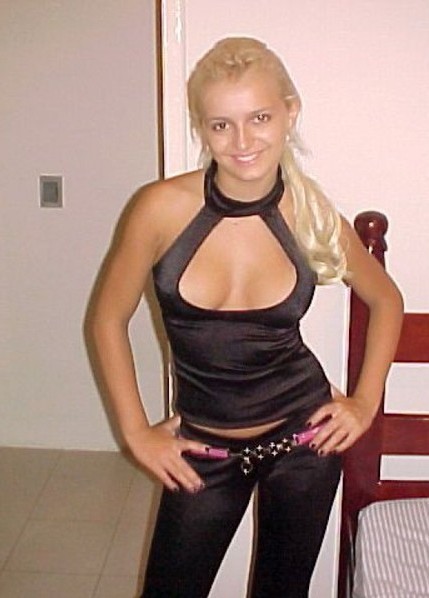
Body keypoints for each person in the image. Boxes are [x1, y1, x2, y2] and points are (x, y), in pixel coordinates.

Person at [90, 37, 403, 598]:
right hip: (203, 452)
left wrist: (364, 402)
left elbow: (386, 300)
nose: (242, 142)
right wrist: (135, 432)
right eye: (221, 125)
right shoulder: (159, 209)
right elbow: (106, 320)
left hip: (306, 444)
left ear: (289, 112)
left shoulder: (310, 215)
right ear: (202, 128)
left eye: (259, 118)